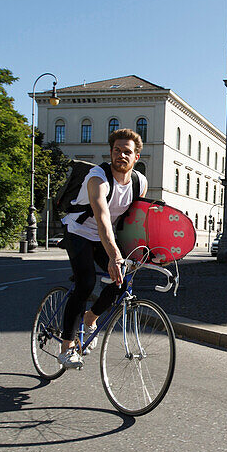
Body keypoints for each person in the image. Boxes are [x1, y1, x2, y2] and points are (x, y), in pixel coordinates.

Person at [58, 129, 147, 368]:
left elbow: (134, 222)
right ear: (110, 152)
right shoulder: (97, 178)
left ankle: (90, 317)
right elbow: (103, 218)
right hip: (79, 232)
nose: (121, 155)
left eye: (127, 151)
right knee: (85, 282)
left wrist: (146, 252)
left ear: (136, 157)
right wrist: (114, 255)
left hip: (104, 237)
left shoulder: (140, 183)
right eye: (116, 150)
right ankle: (66, 347)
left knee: (121, 282)